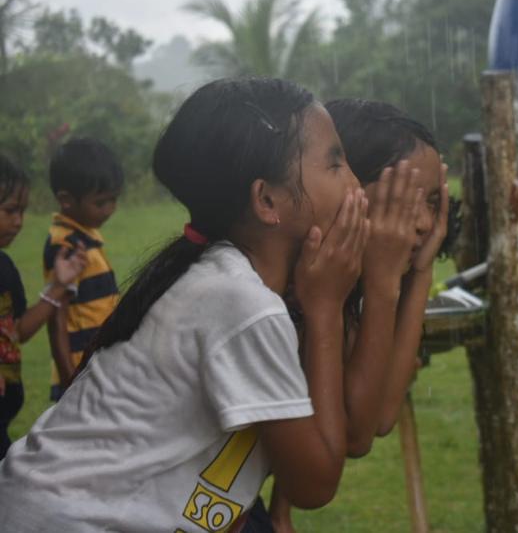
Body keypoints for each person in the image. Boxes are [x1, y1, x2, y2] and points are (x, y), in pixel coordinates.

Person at [0, 78, 368, 532]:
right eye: (336, 164)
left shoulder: (223, 282)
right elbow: (316, 484)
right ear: (267, 200)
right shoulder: (240, 303)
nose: (357, 187)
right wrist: (327, 307)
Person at [262, 98, 449, 532]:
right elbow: (356, 435)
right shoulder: (290, 292)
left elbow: (381, 414)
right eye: (404, 203)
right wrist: (386, 280)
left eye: (433, 203)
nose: (422, 223)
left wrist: (419, 271)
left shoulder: (339, 294)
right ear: (344, 192)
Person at [0, 154, 87, 459]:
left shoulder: (5, 268)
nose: (19, 222)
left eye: (22, 211)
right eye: (10, 211)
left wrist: (59, 286)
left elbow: (19, 331)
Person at [43, 137, 123, 400]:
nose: (109, 210)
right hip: (80, 372)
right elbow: (57, 314)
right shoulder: (66, 244)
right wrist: (70, 379)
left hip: (98, 365)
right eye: (101, 203)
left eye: (113, 200)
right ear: (66, 200)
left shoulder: (84, 236)